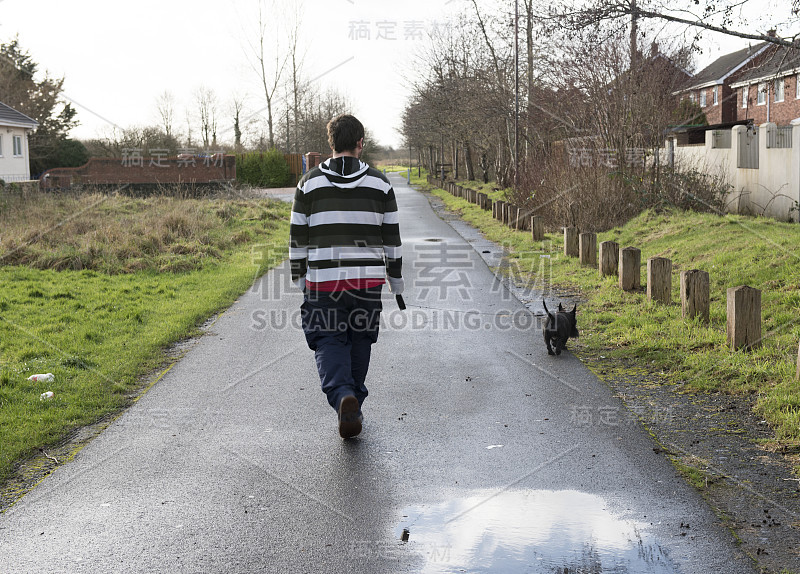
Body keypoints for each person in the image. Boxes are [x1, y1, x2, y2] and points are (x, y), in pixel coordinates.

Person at [290, 114, 403, 438]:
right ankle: (354, 403)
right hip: (367, 283)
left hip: (323, 282)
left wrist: (301, 278)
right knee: (360, 340)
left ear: (331, 144)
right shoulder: (380, 183)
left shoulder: (308, 183)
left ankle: (343, 397)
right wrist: (396, 283)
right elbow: (391, 240)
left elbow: (297, 239)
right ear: (360, 143)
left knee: (327, 340)